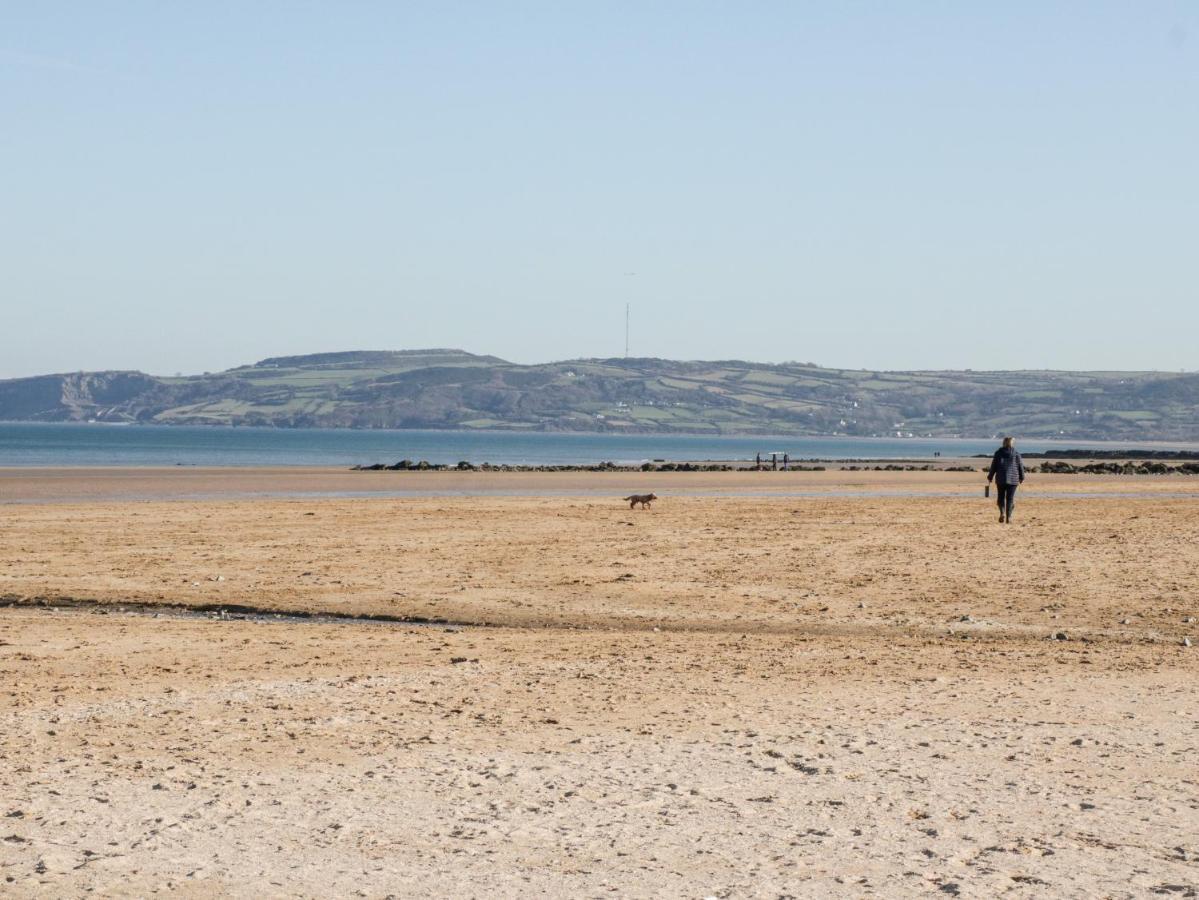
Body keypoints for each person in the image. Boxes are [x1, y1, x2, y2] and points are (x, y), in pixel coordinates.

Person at [987, 436, 1025, 524]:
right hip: (1013, 480)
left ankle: (1002, 513)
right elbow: (1020, 466)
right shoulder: (1016, 453)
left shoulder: (998, 453)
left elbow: (994, 466)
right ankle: (1009, 518)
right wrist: (1022, 477)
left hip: (1000, 479)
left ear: (1003, 443)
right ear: (1012, 443)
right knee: (1010, 499)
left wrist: (990, 477)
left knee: (1000, 497)